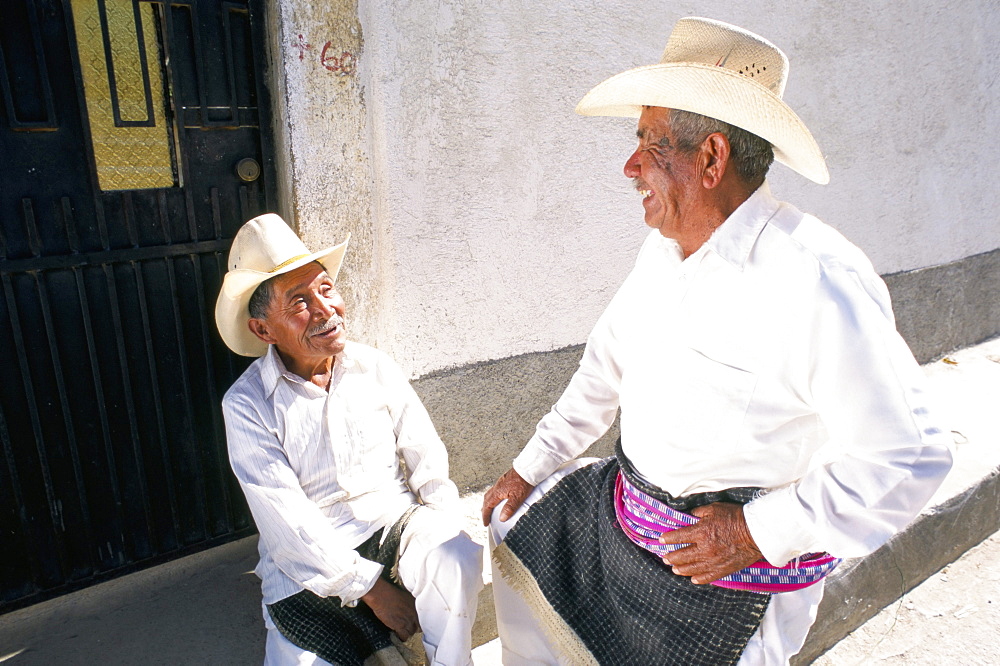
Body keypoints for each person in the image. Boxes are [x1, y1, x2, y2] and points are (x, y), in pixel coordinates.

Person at [481, 16, 953, 665]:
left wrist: (760, 531)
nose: (630, 165)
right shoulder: (664, 251)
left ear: (710, 158)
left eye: (649, 143)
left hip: (727, 587)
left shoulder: (814, 282)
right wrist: (529, 465)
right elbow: (605, 367)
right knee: (523, 543)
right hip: (627, 540)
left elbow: (910, 454)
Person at [216, 214, 483, 666]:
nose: (325, 310)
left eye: (326, 289)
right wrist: (375, 592)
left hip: (393, 525)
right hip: (304, 568)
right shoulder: (246, 404)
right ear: (263, 330)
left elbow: (425, 457)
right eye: (299, 301)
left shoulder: (373, 366)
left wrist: (441, 532)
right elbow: (289, 522)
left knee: (455, 555)